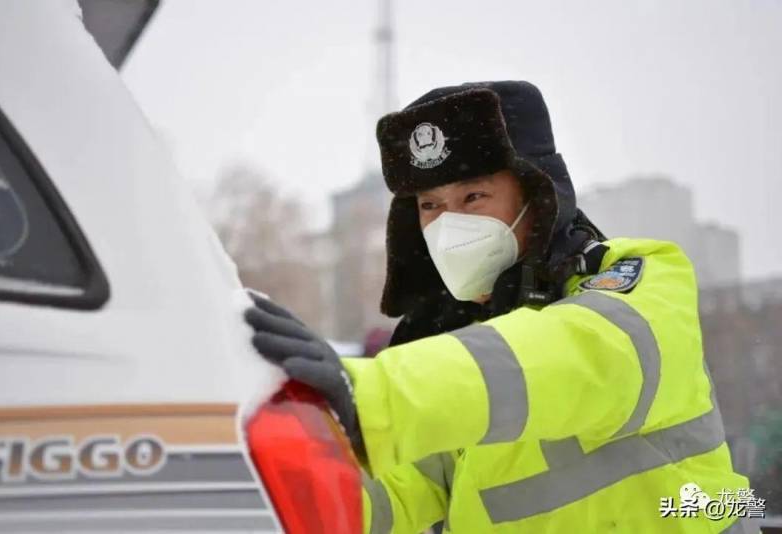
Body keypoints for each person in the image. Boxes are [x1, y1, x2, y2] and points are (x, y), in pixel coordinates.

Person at [245, 81, 753, 533]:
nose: (448, 224)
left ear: (538, 197)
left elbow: (577, 358)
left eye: (474, 197)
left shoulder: (641, 280)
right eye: (430, 206)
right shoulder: (449, 351)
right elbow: (390, 496)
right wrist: (265, 478)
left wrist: (374, 395)